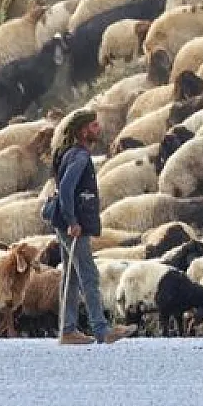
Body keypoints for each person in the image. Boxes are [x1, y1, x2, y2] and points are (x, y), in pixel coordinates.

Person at [46, 109, 134, 346]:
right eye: (94, 126)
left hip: (64, 222)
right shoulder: (80, 157)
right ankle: (101, 329)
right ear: (83, 131)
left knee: (71, 276)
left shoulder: (69, 153)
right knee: (89, 274)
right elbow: (66, 189)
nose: (98, 128)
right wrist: (73, 221)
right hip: (73, 226)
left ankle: (68, 330)